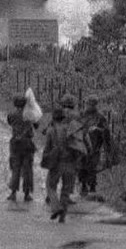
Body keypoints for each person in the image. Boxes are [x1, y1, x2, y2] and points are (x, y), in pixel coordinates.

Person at [42, 95, 86, 223]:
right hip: (71, 162)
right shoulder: (75, 121)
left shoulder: (52, 129)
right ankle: (62, 217)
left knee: (51, 185)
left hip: (57, 162)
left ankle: (56, 207)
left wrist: (46, 160)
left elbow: (47, 148)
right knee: (66, 190)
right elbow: (83, 139)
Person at [77, 96, 112, 197]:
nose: (89, 106)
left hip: (95, 146)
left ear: (95, 105)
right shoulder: (81, 115)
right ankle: (83, 185)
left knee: (93, 165)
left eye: (92, 104)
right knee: (82, 165)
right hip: (82, 146)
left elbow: (106, 131)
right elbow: (75, 128)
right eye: (88, 104)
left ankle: (92, 186)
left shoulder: (100, 117)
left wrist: (98, 129)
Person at [6, 94, 36, 202]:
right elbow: (36, 124)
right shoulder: (30, 114)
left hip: (15, 143)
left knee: (15, 168)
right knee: (27, 169)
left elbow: (9, 123)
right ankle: (27, 194)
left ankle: (13, 193)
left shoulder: (11, 114)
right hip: (27, 144)